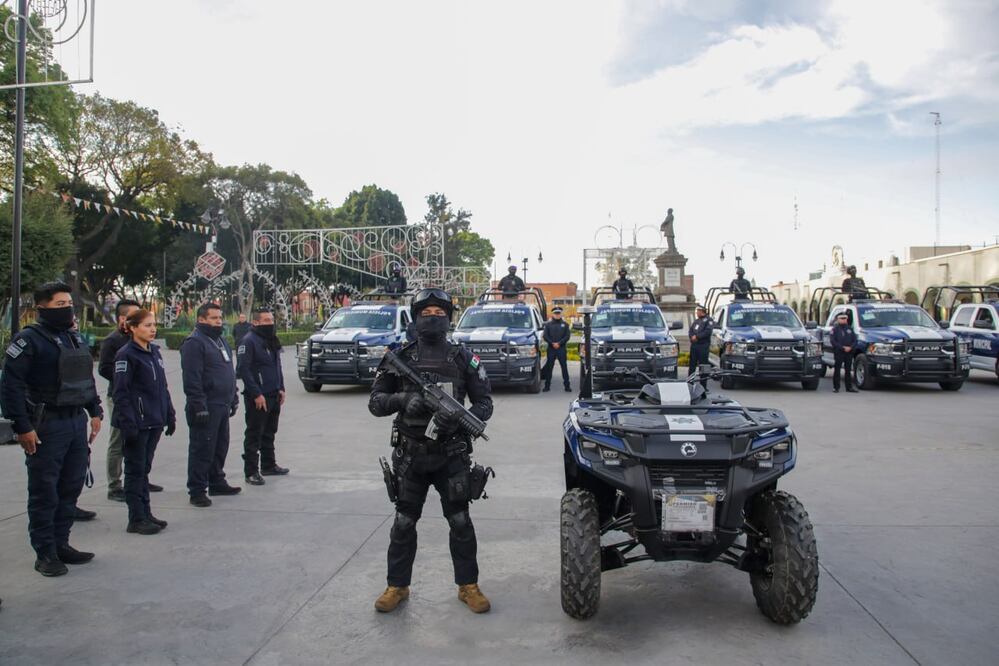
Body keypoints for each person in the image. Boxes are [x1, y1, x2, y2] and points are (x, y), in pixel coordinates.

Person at [368, 288, 494, 614]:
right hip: (410, 456)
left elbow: (484, 402)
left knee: (461, 521)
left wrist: (463, 420)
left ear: (448, 318)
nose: (433, 318)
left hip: (451, 454)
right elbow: (376, 403)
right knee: (403, 523)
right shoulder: (401, 357)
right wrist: (401, 400)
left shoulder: (463, 358)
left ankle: (468, 586)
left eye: (439, 313)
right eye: (427, 313)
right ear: (416, 317)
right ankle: (397, 586)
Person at [0, 282, 103, 577]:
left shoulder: (73, 338)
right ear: (42, 308)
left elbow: (86, 377)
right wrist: (22, 426)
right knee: (46, 491)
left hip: (75, 421)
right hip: (46, 424)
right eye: (60, 305)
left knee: (70, 486)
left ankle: (62, 543)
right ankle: (45, 552)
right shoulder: (29, 340)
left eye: (69, 303)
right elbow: (11, 385)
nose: (68, 309)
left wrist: (94, 410)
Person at [112, 309, 176, 535]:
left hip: (154, 420)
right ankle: (136, 518)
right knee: (135, 471)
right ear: (132, 327)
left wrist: (169, 413)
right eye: (147, 325)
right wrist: (129, 424)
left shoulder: (154, 352)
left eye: (154, 325)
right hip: (137, 423)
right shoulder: (126, 355)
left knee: (144, 471)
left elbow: (162, 387)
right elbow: (120, 393)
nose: (152, 329)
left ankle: (146, 513)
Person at [99, 299, 164, 502]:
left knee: (142, 443)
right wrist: (128, 381)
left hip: (145, 401)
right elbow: (104, 368)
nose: (148, 325)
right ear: (124, 319)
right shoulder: (114, 341)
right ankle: (114, 484)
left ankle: (139, 478)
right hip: (121, 397)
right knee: (119, 439)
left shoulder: (146, 344)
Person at [181, 303, 241, 507]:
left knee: (219, 445)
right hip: (206, 405)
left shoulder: (220, 340)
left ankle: (217, 481)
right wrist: (199, 405)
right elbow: (192, 378)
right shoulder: (194, 343)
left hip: (222, 403)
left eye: (220, 317)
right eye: (214, 318)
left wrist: (233, 396)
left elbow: (228, 371)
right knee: (202, 448)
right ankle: (197, 489)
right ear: (201, 320)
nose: (219, 321)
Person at [237, 309, 289, 486]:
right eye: (266, 320)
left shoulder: (270, 339)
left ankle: (268, 464)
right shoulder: (248, 341)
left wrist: (281, 387)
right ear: (256, 323)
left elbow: (277, 365)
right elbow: (243, 369)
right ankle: (251, 471)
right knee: (254, 434)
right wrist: (256, 393)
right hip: (258, 397)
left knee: (269, 432)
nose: (270, 323)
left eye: (271, 320)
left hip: (274, 393)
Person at [542, 306, 572, 392]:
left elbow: (567, 336)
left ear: (561, 314)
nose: (557, 315)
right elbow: (545, 336)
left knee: (564, 367)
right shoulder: (548, 325)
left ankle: (567, 386)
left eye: (558, 313)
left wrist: (559, 343)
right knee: (549, 368)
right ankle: (547, 386)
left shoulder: (565, 325)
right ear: (553, 314)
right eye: (556, 313)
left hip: (561, 349)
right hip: (551, 349)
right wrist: (552, 343)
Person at [830, 311, 858, 393]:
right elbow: (833, 341)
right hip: (839, 352)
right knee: (837, 370)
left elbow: (855, 340)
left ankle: (849, 387)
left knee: (848, 370)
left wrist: (850, 347)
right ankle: (836, 387)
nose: (843, 320)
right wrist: (842, 347)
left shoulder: (850, 329)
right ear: (838, 319)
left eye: (845, 318)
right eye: (841, 318)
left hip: (849, 352)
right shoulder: (834, 329)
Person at [688, 305, 713, 376]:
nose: (696, 313)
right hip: (694, 345)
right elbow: (691, 330)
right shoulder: (696, 321)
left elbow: (707, 332)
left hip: (703, 346)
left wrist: (697, 337)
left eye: (698, 311)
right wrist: (691, 337)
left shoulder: (709, 320)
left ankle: (703, 384)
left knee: (703, 366)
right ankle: (690, 382)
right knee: (692, 365)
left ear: (702, 311)